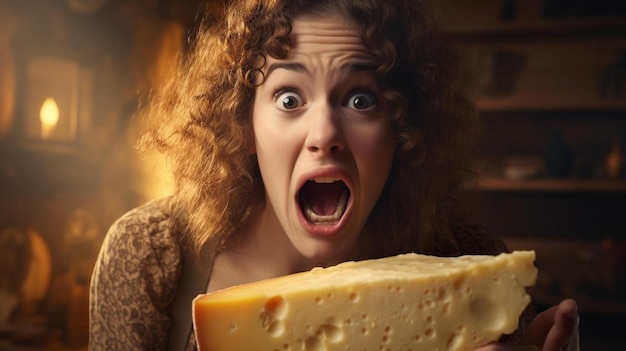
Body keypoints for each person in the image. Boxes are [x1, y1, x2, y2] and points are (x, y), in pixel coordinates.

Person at [89, 0, 580, 350]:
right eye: (288, 98)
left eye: (360, 99)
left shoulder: (471, 264)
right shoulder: (151, 254)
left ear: (403, 127)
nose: (324, 132)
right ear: (244, 120)